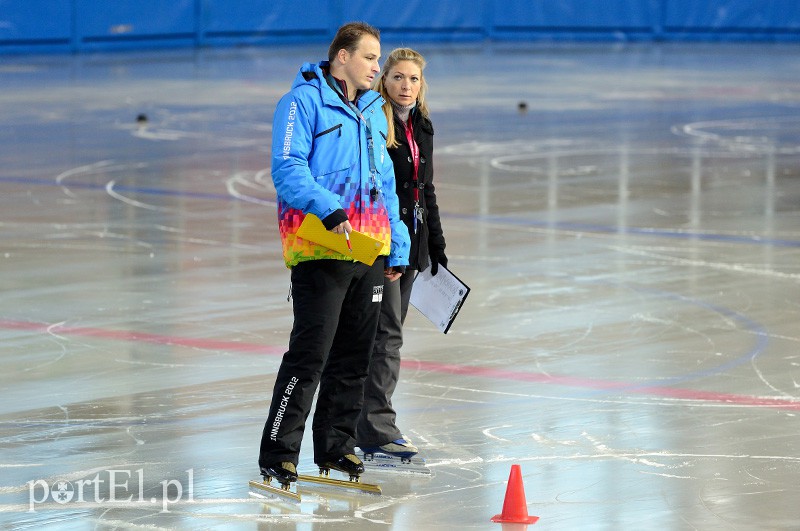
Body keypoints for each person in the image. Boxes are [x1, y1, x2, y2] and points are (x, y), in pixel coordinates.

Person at [258, 22, 410, 486]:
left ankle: (337, 447)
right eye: (369, 58)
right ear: (342, 57)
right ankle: (279, 453)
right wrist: (328, 207)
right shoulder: (301, 103)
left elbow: (386, 185)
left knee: (353, 357)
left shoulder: (372, 109)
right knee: (310, 355)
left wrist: (397, 243)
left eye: (378, 59)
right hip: (320, 245)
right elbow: (287, 169)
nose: (377, 67)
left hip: (369, 250)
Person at [357, 48, 447, 459]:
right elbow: (377, 190)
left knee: (387, 334)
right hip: (384, 242)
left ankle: (366, 424)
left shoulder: (423, 124)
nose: (405, 86)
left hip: (414, 242)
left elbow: (425, 189)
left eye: (413, 79)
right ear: (384, 80)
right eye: (397, 78)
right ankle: (376, 429)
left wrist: (436, 245)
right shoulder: (376, 121)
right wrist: (393, 246)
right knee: (386, 334)